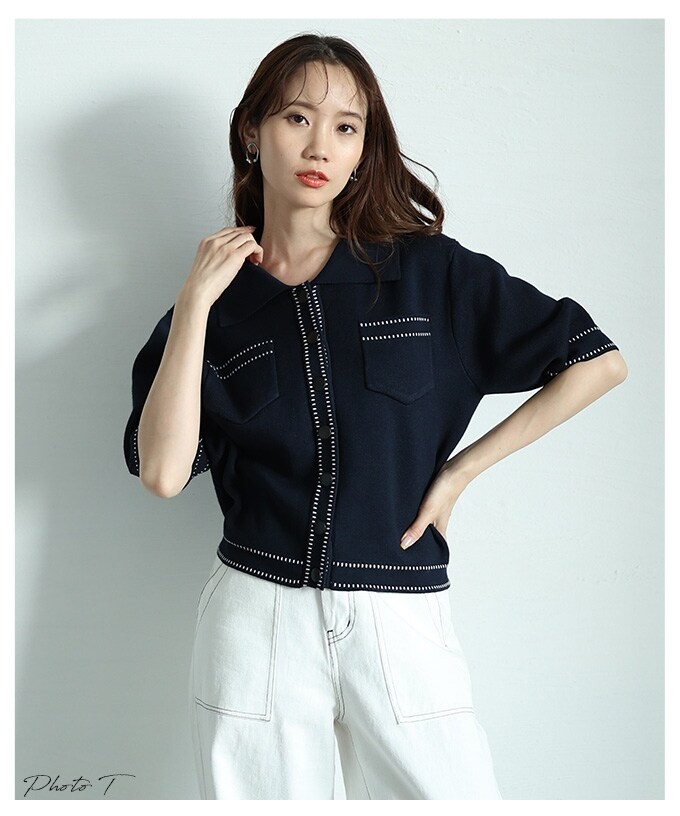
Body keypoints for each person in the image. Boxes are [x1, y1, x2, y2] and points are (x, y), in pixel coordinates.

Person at [122, 33, 628, 800]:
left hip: (400, 615)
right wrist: (194, 301)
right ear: (252, 132)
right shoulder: (213, 312)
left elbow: (596, 361)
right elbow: (162, 474)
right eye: (297, 117)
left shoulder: (428, 274)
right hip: (257, 618)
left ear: (364, 148)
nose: (319, 145)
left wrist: (458, 474)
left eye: (346, 126)